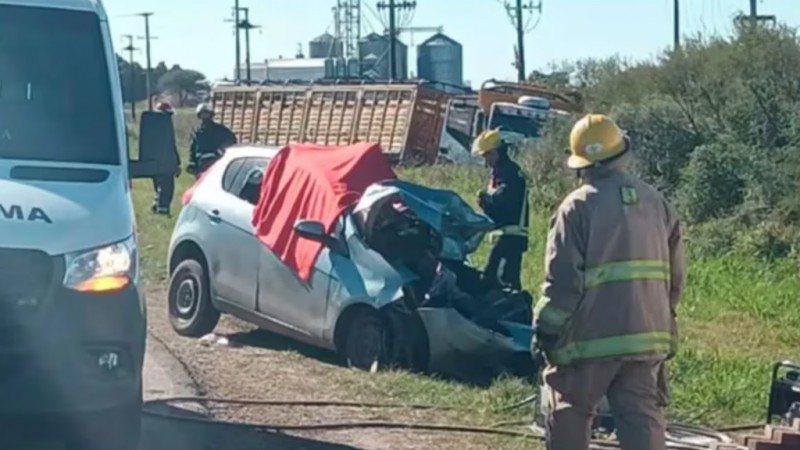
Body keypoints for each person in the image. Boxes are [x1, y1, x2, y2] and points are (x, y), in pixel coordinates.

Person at [533, 114, 686, 450]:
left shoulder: (576, 207)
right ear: (622, 154)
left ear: (580, 164)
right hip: (647, 338)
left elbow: (563, 284)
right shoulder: (655, 201)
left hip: (588, 339)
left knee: (569, 408)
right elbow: (674, 279)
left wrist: (546, 329)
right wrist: (658, 315)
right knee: (641, 419)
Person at [472, 129, 530, 291]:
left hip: (511, 237)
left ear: (495, 152)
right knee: (499, 281)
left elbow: (502, 204)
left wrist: (484, 199)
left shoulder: (510, 173)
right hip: (504, 237)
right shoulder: (500, 173)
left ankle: (513, 315)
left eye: (486, 155)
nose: (485, 161)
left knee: (499, 283)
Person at [187, 103, 237, 178]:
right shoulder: (197, 132)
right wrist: (192, 165)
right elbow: (193, 150)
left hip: (215, 164)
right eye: (202, 115)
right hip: (201, 166)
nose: (204, 117)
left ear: (211, 115)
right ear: (199, 116)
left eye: (206, 114)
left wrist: (221, 152)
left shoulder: (221, 130)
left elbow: (232, 141)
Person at [151, 101, 181, 216]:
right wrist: (176, 163)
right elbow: (170, 146)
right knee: (166, 187)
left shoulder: (153, 127)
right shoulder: (163, 127)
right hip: (165, 163)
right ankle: (162, 210)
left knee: (160, 186)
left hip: (156, 163)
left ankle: (157, 205)